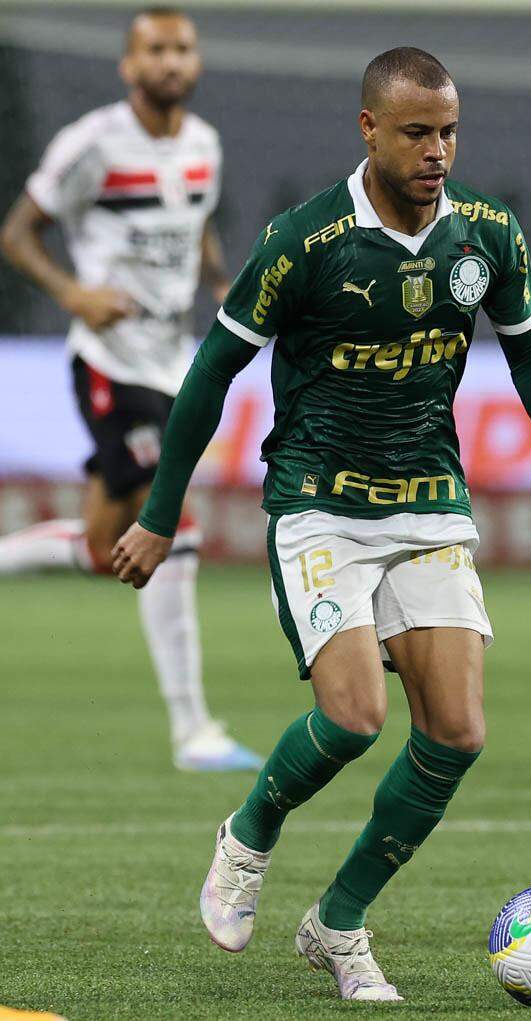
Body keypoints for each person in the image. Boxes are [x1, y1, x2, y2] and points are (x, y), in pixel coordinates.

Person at [111, 48, 531, 1002]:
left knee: (457, 732)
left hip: (427, 498)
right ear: (369, 130)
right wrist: (159, 516)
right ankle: (249, 833)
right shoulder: (306, 242)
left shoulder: (487, 236)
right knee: (353, 717)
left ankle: (338, 922)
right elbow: (209, 376)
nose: (438, 151)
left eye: (450, 131)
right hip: (317, 502)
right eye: (418, 132)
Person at [0, 6, 259, 772]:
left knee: (104, 546)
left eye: (182, 49)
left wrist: (218, 280)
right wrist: (74, 294)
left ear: (196, 60)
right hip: (110, 362)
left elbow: (198, 222)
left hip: (171, 363)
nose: (171, 62)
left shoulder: (205, 145)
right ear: (128, 64)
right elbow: (16, 233)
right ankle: (193, 731)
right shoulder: (92, 143)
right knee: (169, 522)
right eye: (155, 50)